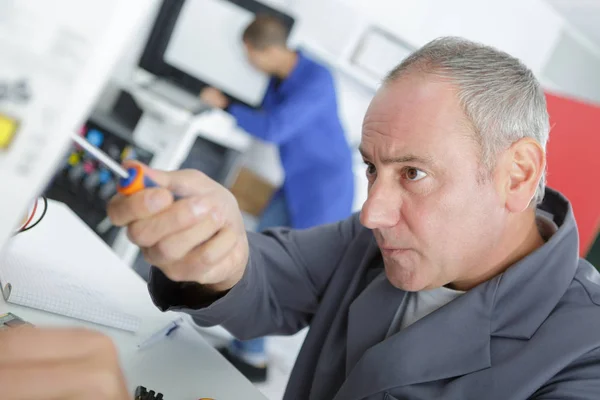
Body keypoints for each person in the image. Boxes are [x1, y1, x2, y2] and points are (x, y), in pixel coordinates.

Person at [108, 37, 600, 399]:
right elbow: (268, 279)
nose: (372, 212)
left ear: (516, 175)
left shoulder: (586, 354)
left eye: (413, 172)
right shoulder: (368, 241)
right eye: (372, 168)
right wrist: (216, 254)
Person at [199, 14, 355, 381]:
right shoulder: (278, 78)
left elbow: (273, 128)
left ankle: (254, 360)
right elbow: (265, 115)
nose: (247, 62)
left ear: (265, 50)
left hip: (323, 191)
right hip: (296, 183)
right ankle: (246, 349)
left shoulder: (317, 79)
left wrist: (223, 105)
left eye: (248, 54)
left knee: (290, 273)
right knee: (257, 252)